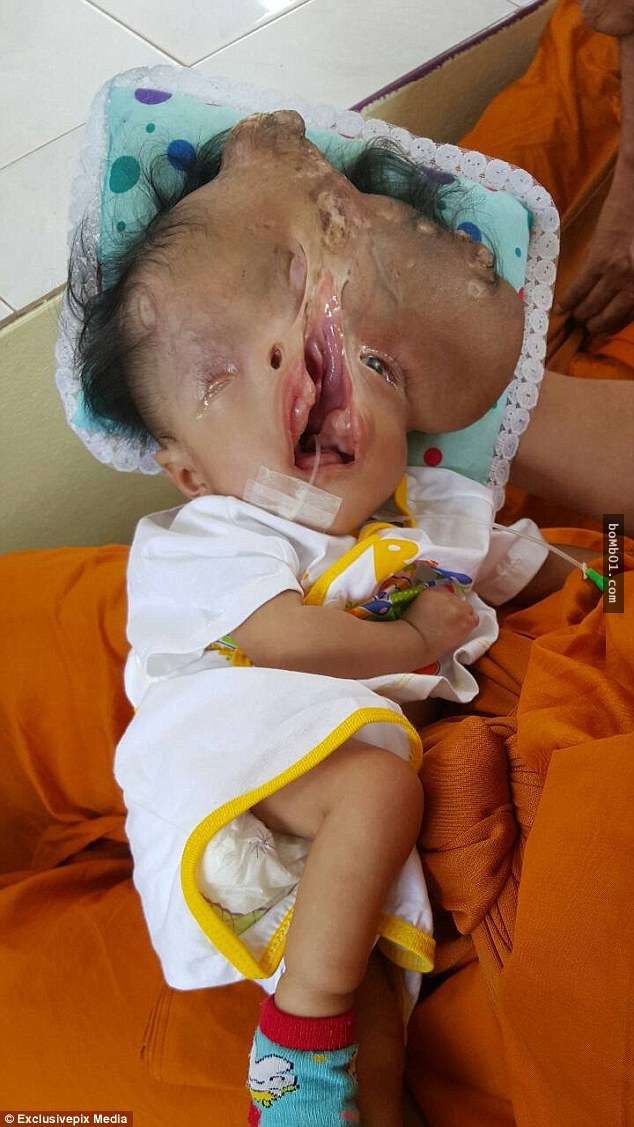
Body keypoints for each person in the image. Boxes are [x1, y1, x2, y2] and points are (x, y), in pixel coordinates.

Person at [67, 109, 596, 1126]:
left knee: (381, 981)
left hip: (327, 832)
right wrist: (413, 642)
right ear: (188, 471)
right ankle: (292, 1043)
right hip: (230, 769)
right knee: (380, 794)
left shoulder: (429, 517)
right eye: (222, 373)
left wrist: (607, 577)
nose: (298, 365)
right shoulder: (218, 533)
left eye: (376, 367)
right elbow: (274, 637)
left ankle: (327, 1096)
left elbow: (538, 567)